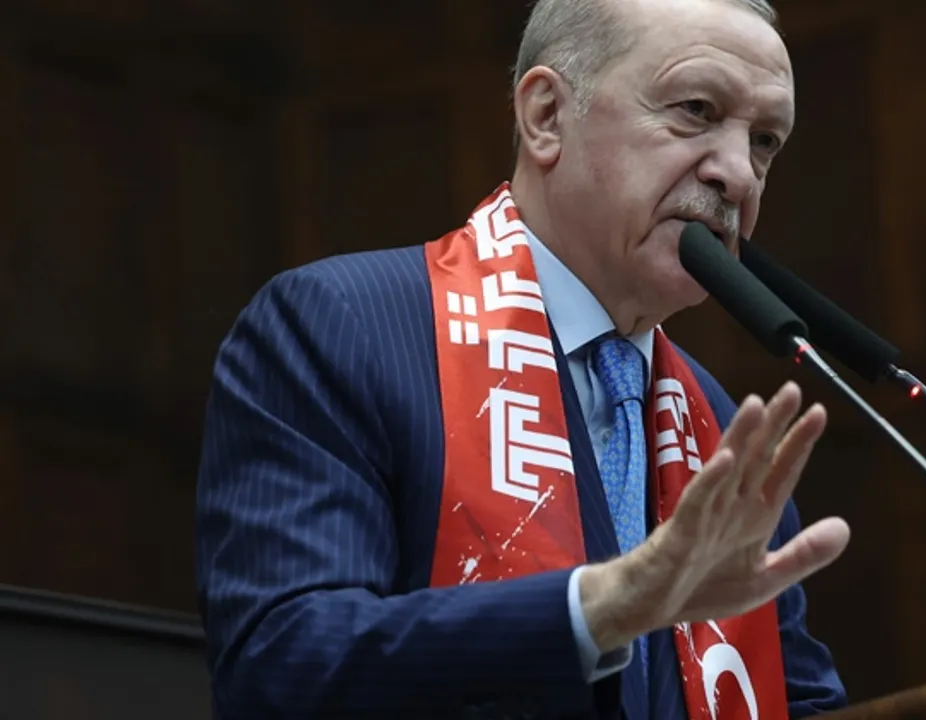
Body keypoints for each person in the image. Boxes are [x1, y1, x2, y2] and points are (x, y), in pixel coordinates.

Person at [193, 0, 851, 716]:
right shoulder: (343, 326)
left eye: (764, 141)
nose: (739, 175)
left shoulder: (724, 425)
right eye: (696, 110)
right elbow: (281, 664)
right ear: (546, 116)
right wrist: (602, 607)